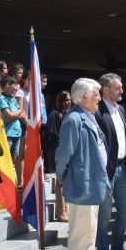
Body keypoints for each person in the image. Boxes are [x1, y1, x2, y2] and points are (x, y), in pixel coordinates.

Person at [55, 78, 109, 250]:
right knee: (81, 236)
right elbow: (63, 155)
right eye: (96, 93)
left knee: (89, 234)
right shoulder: (73, 119)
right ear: (83, 96)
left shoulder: (89, 116)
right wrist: (64, 177)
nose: (99, 97)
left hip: (92, 184)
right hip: (82, 185)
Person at [94, 73, 126, 250]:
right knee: (103, 215)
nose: (122, 90)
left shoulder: (121, 109)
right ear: (105, 89)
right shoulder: (96, 111)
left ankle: (117, 248)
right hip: (105, 171)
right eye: (118, 87)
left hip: (122, 168)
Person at [46, 91, 72, 222]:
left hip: (68, 152)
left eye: (69, 100)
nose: (68, 102)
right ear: (60, 101)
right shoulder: (55, 115)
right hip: (59, 152)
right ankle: (61, 212)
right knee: (60, 183)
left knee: (66, 183)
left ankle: (66, 209)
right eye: (66, 100)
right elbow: (52, 135)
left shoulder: (70, 114)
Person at [0, 76, 26, 186]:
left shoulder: (13, 99)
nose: (16, 88)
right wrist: (18, 111)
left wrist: (18, 113)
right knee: (6, 157)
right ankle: (3, 181)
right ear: (7, 85)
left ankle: (10, 180)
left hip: (17, 133)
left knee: (14, 158)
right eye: (14, 85)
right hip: (7, 133)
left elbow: (20, 113)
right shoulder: (1, 98)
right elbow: (9, 116)